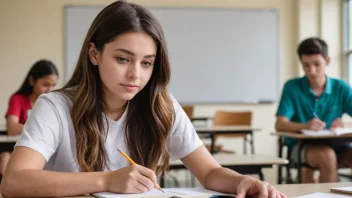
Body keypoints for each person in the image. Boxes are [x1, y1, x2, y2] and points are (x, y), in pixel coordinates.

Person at [1, 1, 285, 197]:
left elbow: (209, 172)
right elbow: (13, 183)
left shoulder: (161, 105)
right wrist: (106, 180)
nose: (135, 74)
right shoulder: (55, 107)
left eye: (147, 63)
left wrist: (242, 181)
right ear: (94, 54)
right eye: (123, 59)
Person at [275, 37, 352, 183]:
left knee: (330, 154)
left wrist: (346, 125)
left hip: (339, 145)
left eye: (317, 64)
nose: (312, 71)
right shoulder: (292, 87)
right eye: (306, 65)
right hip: (301, 147)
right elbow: (280, 124)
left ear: (327, 61)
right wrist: (305, 126)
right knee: (327, 156)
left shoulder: (341, 87)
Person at [1, 59, 58, 175]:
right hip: (16, 149)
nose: (50, 90)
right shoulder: (18, 99)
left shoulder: (52, 103)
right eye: (45, 84)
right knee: (5, 161)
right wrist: (40, 129)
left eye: (53, 85)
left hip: (42, 150)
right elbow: (12, 127)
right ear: (32, 80)